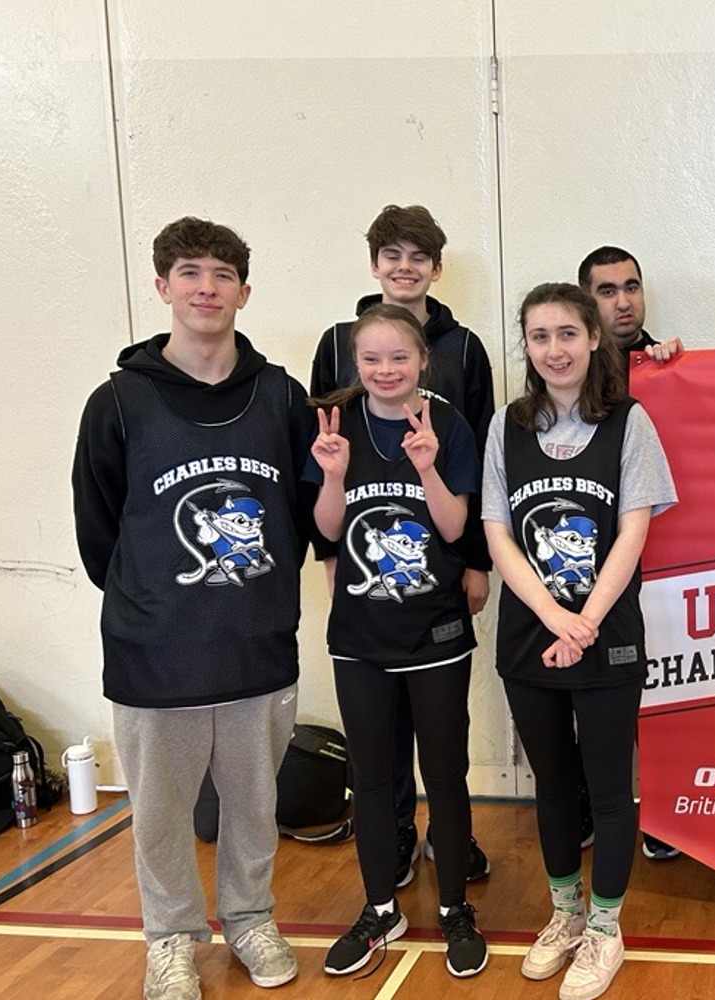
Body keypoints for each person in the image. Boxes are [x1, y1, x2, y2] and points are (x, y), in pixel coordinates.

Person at [72, 217, 312, 1000]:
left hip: (256, 646)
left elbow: (307, 514)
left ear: (245, 290)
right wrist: (153, 601)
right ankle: (171, 937)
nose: (206, 288)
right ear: (162, 286)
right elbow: (98, 527)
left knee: (254, 805)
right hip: (154, 652)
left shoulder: (281, 396)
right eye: (189, 272)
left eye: (221, 274)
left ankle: (249, 919)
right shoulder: (117, 401)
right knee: (161, 817)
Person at [483, 283, 677, 1000]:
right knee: (553, 788)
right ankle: (563, 914)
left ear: (595, 339)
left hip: (608, 637)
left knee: (609, 791)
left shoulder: (631, 424)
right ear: (527, 347)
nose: (554, 349)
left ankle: (604, 928)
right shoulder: (508, 426)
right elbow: (498, 534)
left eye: (568, 333)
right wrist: (552, 617)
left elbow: (633, 531)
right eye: (539, 336)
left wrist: (586, 620)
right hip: (531, 637)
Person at [309, 204, 494, 887]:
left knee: (443, 744)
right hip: (361, 570)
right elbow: (323, 455)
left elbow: (482, 466)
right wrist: (330, 556)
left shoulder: (465, 348)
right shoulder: (334, 342)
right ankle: (389, 846)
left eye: (418, 257)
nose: (404, 267)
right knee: (377, 745)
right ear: (374, 264)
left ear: (436, 269)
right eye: (392, 255)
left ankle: (453, 845)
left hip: (441, 565)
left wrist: (476, 561)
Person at [578, 246, 681, 860]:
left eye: (631, 287)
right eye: (607, 290)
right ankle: (591, 806)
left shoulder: (670, 362)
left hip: (663, 559)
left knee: (662, 692)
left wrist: (674, 366)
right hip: (580, 561)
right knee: (583, 694)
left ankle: (662, 811)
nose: (623, 301)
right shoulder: (565, 369)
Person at [579, 246, 683, 361]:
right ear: (586, 301)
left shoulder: (667, 364)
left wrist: (677, 372)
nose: (623, 304)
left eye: (631, 289)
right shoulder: (572, 369)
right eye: (608, 292)